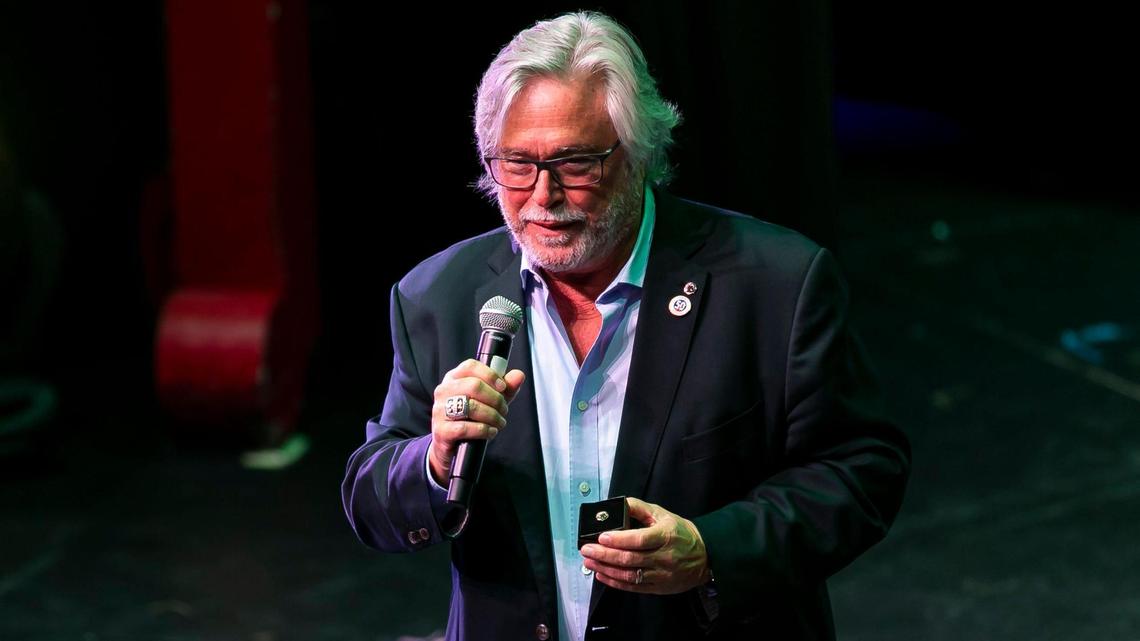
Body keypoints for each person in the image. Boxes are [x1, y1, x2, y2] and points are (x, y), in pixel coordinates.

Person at [342, 11, 910, 641]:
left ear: (638, 153)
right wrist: (435, 458)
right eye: (517, 164)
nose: (543, 196)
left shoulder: (775, 284)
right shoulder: (436, 297)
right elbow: (372, 502)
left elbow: (861, 469)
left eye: (575, 163)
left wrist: (710, 551)